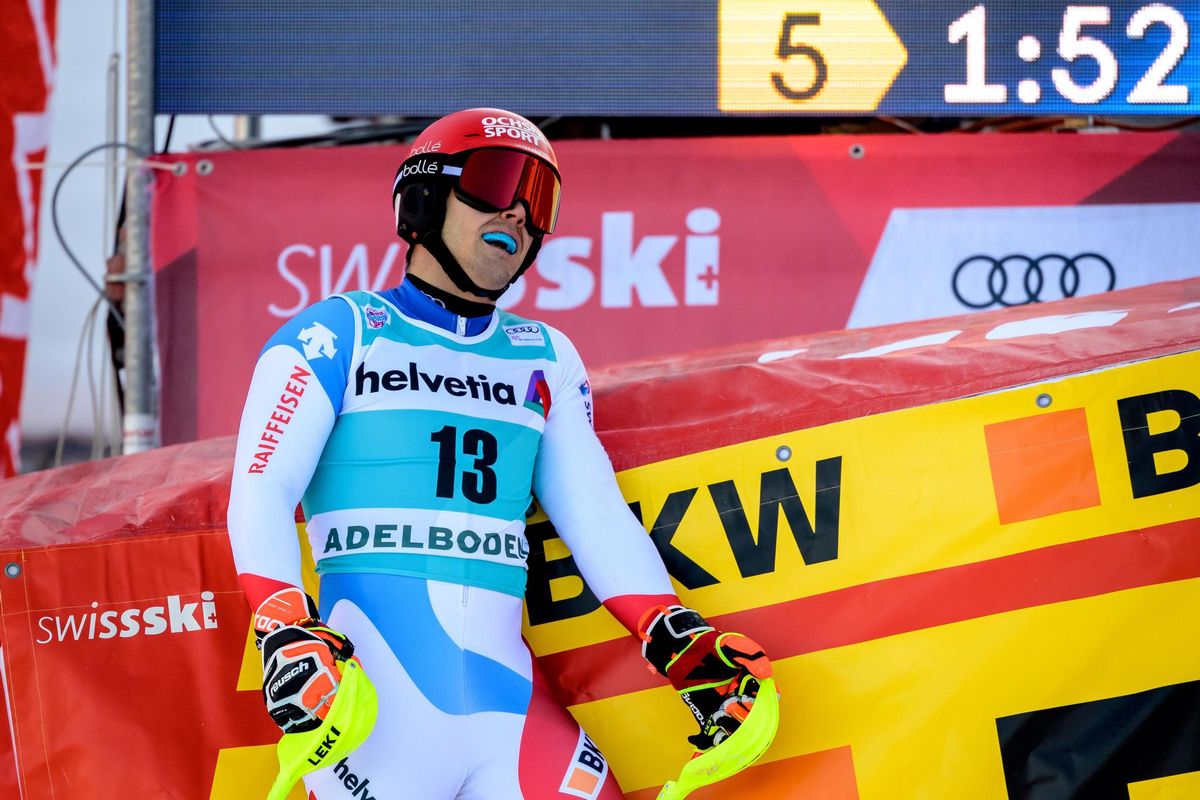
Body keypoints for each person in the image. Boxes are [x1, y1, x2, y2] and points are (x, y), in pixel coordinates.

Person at [227, 108, 773, 799]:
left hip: (507, 713)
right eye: (495, 182)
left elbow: (592, 513)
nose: (518, 212)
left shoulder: (546, 355)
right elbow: (261, 490)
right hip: (370, 721)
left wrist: (673, 634)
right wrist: (283, 629)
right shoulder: (337, 333)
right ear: (424, 198)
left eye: (538, 199)